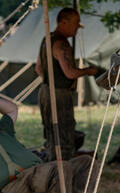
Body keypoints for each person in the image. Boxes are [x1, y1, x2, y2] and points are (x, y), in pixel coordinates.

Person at [35, 7, 99, 161]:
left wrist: (50, 82)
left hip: (45, 91)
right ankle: (61, 173)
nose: (78, 27)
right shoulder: (61, 44)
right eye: (76, 23)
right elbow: (69, 72)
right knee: (63, 137)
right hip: (59, 95)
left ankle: (51, 169)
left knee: (51, 136)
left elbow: (38, 68)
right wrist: (88, 71)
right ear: (64, 22)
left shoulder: (47, 39)